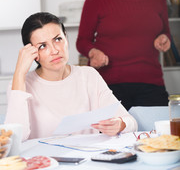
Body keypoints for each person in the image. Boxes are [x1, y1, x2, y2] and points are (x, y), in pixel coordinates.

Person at [4, 12, 137, 140]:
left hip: (88, 159)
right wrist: (20, 73)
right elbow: (16, 137)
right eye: (43, 46)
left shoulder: (89, 76)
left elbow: (130, 122)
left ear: (66, 38)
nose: (55, 50)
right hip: (44, 161)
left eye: (58, 39)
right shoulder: (20, 84)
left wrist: (120, 124)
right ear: (31, 52)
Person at [76, 0, 171, 110]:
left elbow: (165, 32)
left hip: (151, 83)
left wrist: (164, 39)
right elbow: (82, 40)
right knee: (112, 136)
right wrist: (92, 52)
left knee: (159, 135)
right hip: (108, 86)